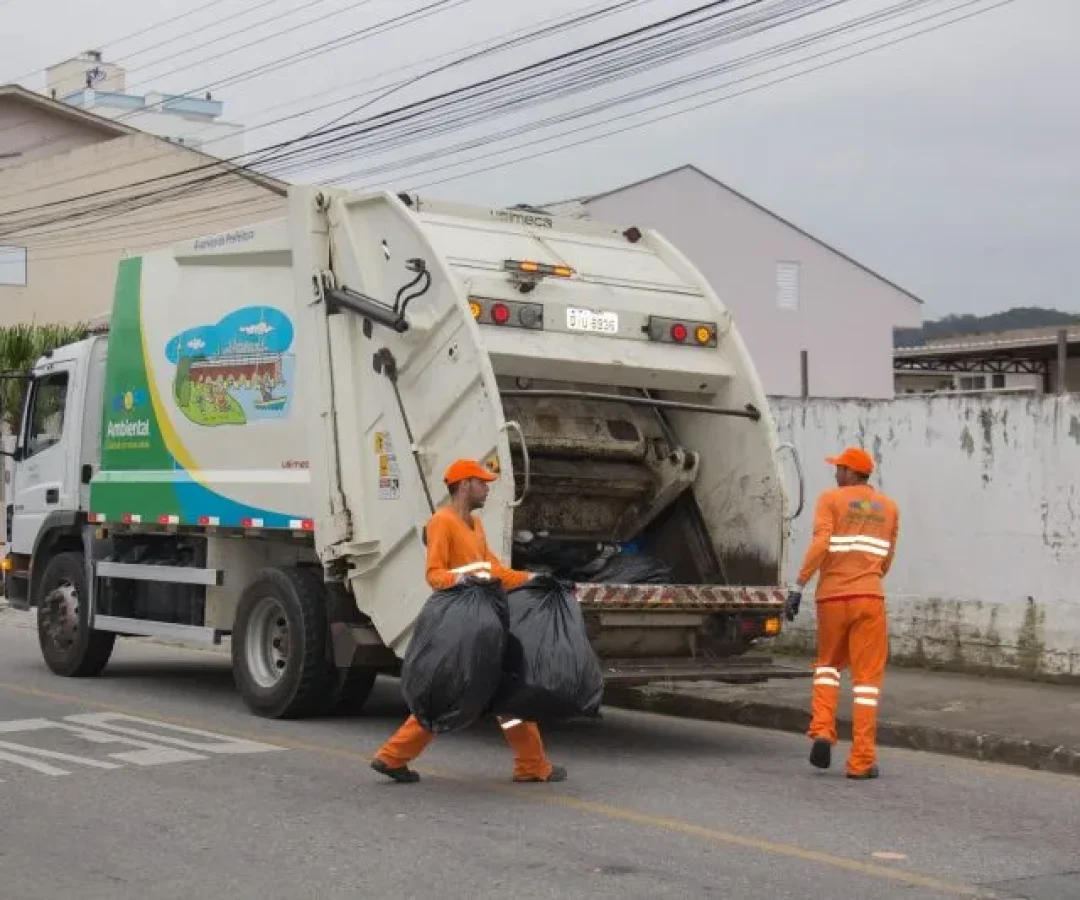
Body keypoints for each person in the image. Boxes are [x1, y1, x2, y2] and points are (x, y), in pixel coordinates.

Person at [371, 458, 567, 785]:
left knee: (506, 690)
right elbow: (435, 575)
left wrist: (534, 578)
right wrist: (470, 578)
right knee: (452, 691)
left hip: (484, 622)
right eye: (482, 483)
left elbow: (494, 571)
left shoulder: (475, 526)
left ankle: (532, 764)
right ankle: (392, 756)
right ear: (464, 486)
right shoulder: (441, 523)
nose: (487, 489)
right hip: (459, 623)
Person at [785, 447, 899, 781]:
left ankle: (822, 730)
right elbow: (887, 557)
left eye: (839, 468)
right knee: (866, 684)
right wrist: (868, 578)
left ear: (851, 472)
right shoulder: (890, 508)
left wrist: (798, 585)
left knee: (827, 668)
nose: (835, 473)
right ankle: (861, 761)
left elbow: (821, 545)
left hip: (832, 598)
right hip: (869, 598)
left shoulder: (830, 500)